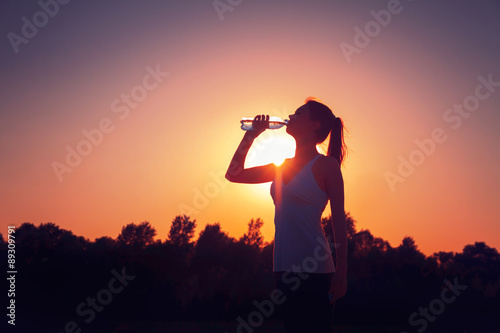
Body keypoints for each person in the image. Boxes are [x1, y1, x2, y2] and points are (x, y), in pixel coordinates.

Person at [225, 97, 348, 332]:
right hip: (283, 266)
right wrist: (250, 135)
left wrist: (341, 275)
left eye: (299, 113)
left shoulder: (327, 166)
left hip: (317, 269)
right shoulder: (280, 167)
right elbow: (233, 174)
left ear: (314, 125)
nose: (290, 116)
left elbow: (339, 223)